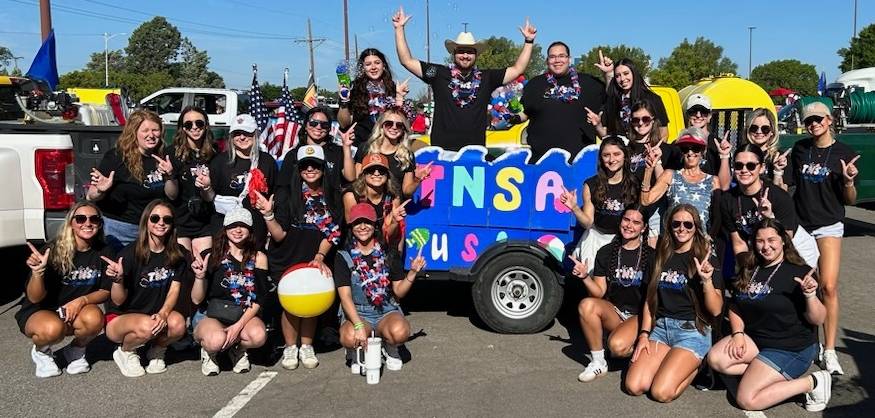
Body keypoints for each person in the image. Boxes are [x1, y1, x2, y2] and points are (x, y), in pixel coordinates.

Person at [707, 219, 831, 412]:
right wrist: (738, 334)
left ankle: (813, 382)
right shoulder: (750, 269)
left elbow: (818, 319)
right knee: (716, 358)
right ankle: (765, 374)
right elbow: (735, 306)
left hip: (791, 349)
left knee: (747, 399)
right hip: (757, 342)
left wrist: (810, 296)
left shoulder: (800, 272)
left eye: (771, 240)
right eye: (760, 241)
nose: (766, 246)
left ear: (783, 240)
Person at [783, 102, 861, 375]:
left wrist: (849, 181)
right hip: (802, 225)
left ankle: (829, 350)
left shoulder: (844, 153)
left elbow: (849, 199)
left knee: (828, 286)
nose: (813, 123)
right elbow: (787, 185)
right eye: (809, 120)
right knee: (807, 286)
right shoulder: (801, 149)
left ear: (829, 120)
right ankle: (810, 342)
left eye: (818, 119)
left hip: (829, 224)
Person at [393, 6, 537, 150]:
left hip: (475, 153)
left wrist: (529, 42)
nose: (465, 56)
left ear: (476, 55)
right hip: (442, 152)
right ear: (454, 53)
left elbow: (517, 69)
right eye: (461, 51)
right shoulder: (438, 73)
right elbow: (407, 61)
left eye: (470, 52)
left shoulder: (487, 78)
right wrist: (399, 29)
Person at [255, 144, 343, 371]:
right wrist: (268, 214)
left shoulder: (333, 195)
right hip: (287, 255)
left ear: (324, 169)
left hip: (315, 254)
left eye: (315, 165)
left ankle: (307, 345)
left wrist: (320, 256)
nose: (310, 169)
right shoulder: (287, 194)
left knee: (310, 300)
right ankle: (290, 346)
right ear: (299, 169)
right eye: (305, 165)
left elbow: (333, 232)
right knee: (292, 303)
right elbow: (279, 234)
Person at [625, 204, 724, 402]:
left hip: (692, 331)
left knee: (661, 393)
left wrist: (706, 281)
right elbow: (649, 300)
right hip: (661, 329)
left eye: (688, 224)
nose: (682, 228)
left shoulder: (706, 259)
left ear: (696, 227)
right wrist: (644, 335)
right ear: (669, 226)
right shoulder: (658, 257)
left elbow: (716, 309)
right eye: (676, 223)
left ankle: (699, 366)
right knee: (634, 386)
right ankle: (671, 361)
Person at [17, 202, 113, 377]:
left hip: (75, 310)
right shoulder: (52, 250)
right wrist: (38, 273)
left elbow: (106, 291)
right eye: (81, 218)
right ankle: (42, 351)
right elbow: (34, 297)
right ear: (71, 223)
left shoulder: (104, 251)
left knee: (95, 318)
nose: (88, 223)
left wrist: (81, 301)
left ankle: (76, 350)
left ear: (99, 224)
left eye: (94, 219)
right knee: (53, 329)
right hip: (42, 310)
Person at [335, 203, 426, 373]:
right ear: (351, 227)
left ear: (375, 226)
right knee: (349, 336)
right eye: (357, 223)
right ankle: (356, 351)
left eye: (367, 222)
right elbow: (345, 296)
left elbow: (399, 291)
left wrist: (412, 273)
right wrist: (357, 326)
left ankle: (391, 348)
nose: (362, 227)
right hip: (358, 312)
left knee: (400, 332)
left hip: (386, 310)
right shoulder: (343, 256)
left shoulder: (388, 252)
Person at [103, 200, 188, 378]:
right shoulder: (129, 254)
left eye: (167, 219)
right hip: (120, 318)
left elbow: (174, 289)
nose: (161, 223)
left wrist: (164, 313)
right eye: (155, 218)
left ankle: (156, 350)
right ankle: (126, 351)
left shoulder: (177, 253)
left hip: (153, 314)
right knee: (148, 327)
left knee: (178, 325)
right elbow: (118, 301)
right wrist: (118, 280)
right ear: (146, 222)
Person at [570, 205, 654, 382]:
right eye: (626, 220)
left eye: (636, 222)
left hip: (638, 316)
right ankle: (598, 362)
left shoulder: (652, 256)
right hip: (615, 312)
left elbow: (652, 300)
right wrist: (585, 277)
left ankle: (642, 348)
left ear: (644, 228)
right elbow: (599, 292)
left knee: (617, 347)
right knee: (586, 305)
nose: (629, 225)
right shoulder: (606, 252)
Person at [190, 207, 268, 376]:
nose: (238, 230)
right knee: (215, 341)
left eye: (243, 225)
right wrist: (200, 277)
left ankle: (237, 349)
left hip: (245, 315)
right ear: (225, 229)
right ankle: (209, 352)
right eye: (233, 225)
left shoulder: (259, 258)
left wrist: (237, 327)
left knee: (258, 336)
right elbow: (196, 300)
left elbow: (259, 299)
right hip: (214, 315)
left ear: (250, 230)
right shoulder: (213, 256)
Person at [87, 110, 177, 250]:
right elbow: (91, 195)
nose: (151, 135)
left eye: (155, 130)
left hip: (153, 230)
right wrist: (100, 189)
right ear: (134, 132)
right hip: (119, 231)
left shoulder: (164, 157)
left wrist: (170, 176)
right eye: (145, 130)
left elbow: (172, 195)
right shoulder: (117, 157)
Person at [560, 136, 639, 275]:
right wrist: (574, 207)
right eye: (606, 155)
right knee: (593, 283)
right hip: (596, 238)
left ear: (625, 156)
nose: (611, 159)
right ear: (601, 158)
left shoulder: (635, 183)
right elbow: (588, 223)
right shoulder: (591, 184)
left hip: (624, 240)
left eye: (616, 154)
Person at [517, 41, 606, 160]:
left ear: (569, 59)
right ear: (547, 60)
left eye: (561, 56)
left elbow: (613, 96)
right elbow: (525, 113)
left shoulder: (590, 83)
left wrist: (608, 74)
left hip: (580, 160)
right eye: (552, 57)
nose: (557, 60)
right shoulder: (535, 84)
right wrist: (509, 117)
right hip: (542, 161)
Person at [720, 144, 807, 260]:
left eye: (751, 166)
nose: (744, 170)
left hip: (794, 247)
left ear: (761, 168)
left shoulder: (779, 197)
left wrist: (770, 217)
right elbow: (739, 243)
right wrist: (746, 269)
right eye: (738, 165)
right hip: (761, 248)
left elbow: (786, 241)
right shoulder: (728, 199)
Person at [204, 114, 277, 249]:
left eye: (247, 133)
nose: (242, 137)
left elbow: (274, 194)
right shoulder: (219, 161)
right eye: (237, 134)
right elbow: (209, 199)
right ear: (231, 137)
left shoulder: (267, 162)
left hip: (255, 230)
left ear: (255, 134)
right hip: (224, 229)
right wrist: (207, 188)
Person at [641, 127, 722, 227]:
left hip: (701, 240)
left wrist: (710, 239)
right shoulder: (670, 175)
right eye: (685, 149)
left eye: (696, 148)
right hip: (675, 238)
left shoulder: (713, 181)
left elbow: (718, 217)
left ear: (702, 151)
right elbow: (646, 201)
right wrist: (648, 170)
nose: (690, 153)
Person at [627, 100, 681, 247]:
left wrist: (657, 161)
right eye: (636, 119)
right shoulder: (626, 148)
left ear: (653, 121)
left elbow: (665, 185)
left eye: (645, 119)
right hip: (631, 205)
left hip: (655, 208)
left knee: (652, 250)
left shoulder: (667, 149)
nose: (640, 123)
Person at [337, 48, 413, 147]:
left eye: (377, 63)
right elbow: (344, 124)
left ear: (384, 66)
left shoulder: (393, 88)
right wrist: (344, 100)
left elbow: (402, 123)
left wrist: (399, 97)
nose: (373, 67)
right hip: (361, 145)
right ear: (362, 68)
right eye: (368, 64)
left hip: (388, 145)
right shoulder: (353, 88)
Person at [349, 108, 432, 197]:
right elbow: (356, 180)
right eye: (389, 124)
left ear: (403, 129)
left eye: (399, 125)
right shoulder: (366, 148)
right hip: (368, 205)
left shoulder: (407, 155)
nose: (394, 127)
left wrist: (417, 179)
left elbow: (406, 191)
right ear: (381, 125)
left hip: (394, 207)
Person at [168, 106, 217, 255]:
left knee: (204, 265)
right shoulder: (171, 153)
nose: (194, 127)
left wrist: (206, 188)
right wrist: (170, 175)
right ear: (182, 128)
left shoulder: (215, 153)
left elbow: (211, 197)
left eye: (199, 123)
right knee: (184, 267)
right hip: (180, 220)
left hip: (205, 221)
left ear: (206, 126)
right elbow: (171, 195)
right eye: (188, 124)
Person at [278, 107, 355, 199]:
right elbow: (283, 187)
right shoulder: (293, 154)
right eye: (313, 123)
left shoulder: (337, 152)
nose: (318, 127)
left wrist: (346, 147)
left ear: (329, 128)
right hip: (299, 206)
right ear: (305, 126)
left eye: (324, 125)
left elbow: (351, 177)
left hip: (331, 205)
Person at [589, 55, 668, 140]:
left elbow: (663, 132)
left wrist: (656, 150)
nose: (622, 79)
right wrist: (597, 125)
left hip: (646, 150)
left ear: (634, 73)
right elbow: (606, 136)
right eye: (618, 76)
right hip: (621, 151)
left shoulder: (652, 99)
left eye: (626, 73)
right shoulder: (612, 101)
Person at [343, 153, 407, 247]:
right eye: (371, 170)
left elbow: (390, 235)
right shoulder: (351, 196)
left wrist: (394, 221)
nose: (376, 174)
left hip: (383, 244)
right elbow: (352, 229)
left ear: (387, 175)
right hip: (357, 245)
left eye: (381, 170)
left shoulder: (393, 197)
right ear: (363, 174)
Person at [682, 94, 732, 189]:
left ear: (709, 116)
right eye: (693, 111)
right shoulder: (679, 143)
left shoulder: (719, 144)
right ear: (688, 115)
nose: (698, 115)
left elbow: (725, 186)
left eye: (703, 112)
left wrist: (724, 155)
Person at [739, 107, 788, 187]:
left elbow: (783, 193)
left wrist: (778, 171)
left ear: (772, 131)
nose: (759, 132)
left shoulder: (780, 158)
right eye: (754, 128)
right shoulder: (742, 155)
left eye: (765, 129)